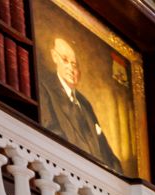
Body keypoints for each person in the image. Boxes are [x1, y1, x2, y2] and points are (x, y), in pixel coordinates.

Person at [40, 35, 125, 173]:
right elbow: (51, 132)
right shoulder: (45, 89)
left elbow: (105, 150)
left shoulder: (85, 103)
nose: (71, 68)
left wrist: (120, 179)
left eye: (74, 64)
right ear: (54, 57)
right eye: (65, 60)